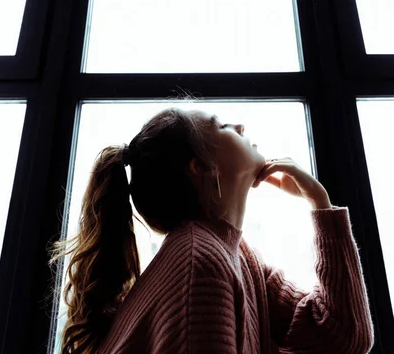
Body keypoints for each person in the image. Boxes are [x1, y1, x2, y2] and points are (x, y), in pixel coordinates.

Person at [49, 106, 375, 354]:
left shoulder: (236, 255)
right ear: (202, 167)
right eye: (221, 126)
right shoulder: (200, 262)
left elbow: (345, 335)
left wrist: (320, 204)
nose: (240, 126)